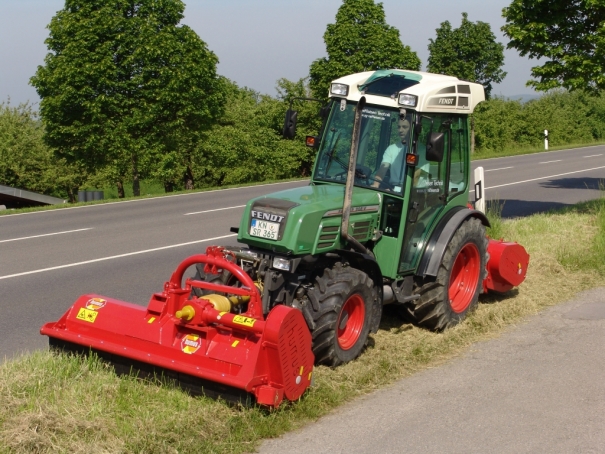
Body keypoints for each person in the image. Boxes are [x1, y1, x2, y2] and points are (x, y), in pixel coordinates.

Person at [372, 116, 410, 190]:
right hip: (394, 188)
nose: (400, 130)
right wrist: (375, 185)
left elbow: (418, 176)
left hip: (411, 192)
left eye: (404, 127)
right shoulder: (391, 148)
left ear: (412, 129)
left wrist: (398, 190)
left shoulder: (420, 150)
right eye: (399, 127)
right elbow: (383, 169)